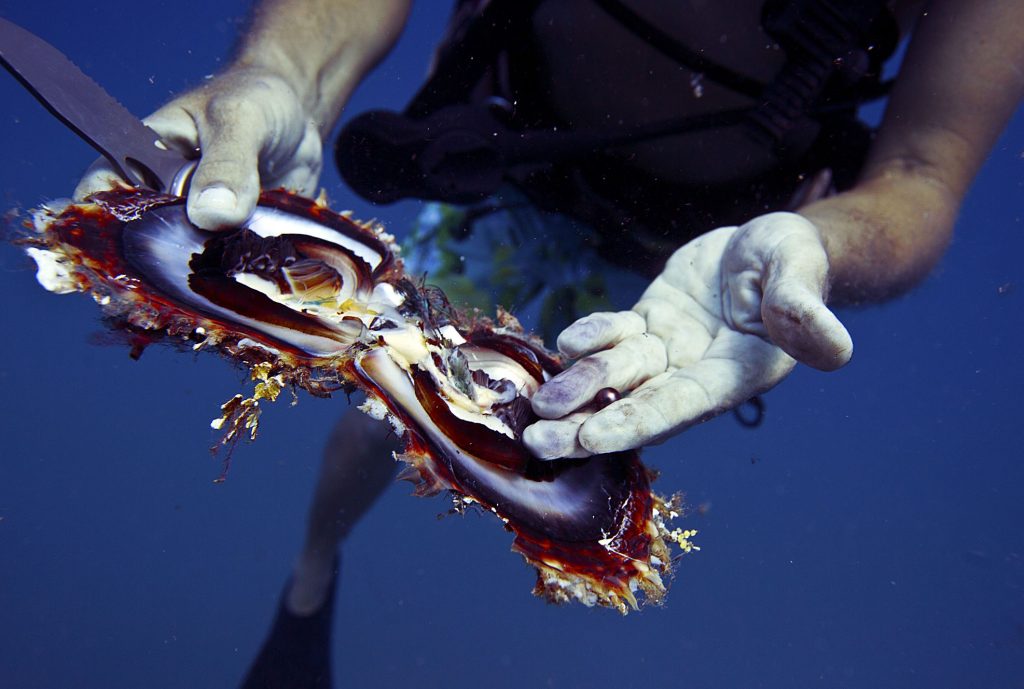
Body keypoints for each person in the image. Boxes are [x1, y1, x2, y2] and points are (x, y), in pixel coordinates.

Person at [73, 1, 1024, 686]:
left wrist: (820, 247)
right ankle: (314, 569)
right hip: (505, 164)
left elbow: (921, 170)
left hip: (694, 270)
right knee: (379, 418)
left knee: (544, 443)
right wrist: (281, 68)